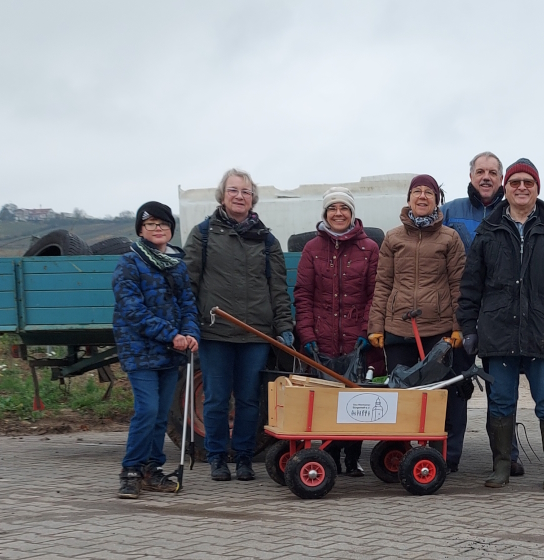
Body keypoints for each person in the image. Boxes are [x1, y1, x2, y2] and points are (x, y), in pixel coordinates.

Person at [457, 158, 544, 488]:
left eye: (528, 183)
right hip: (498, 328)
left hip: (543, 328)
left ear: (537, 188)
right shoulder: (489, 229)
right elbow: (471, 285)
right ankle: (501, 465)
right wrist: (468, 327)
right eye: (515, 182)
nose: (521, 188)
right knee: (501, 400)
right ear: (506, 188)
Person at [184, 168, 292, 482]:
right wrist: (190, 324)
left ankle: (244, 458)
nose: (239, 196)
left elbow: (277, 289)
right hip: (215, 331)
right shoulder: (203, 234)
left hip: (255, 334)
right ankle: (217, 458)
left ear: (253, 198)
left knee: (249, 400)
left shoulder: (266, 239)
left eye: (245, 191)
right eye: (233, 190)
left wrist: (284, 326)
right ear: (222, 195)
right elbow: (188, 284)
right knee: (216, 399)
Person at [367, 175, 468, 469]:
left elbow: (458, 285)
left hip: (438, 332)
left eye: (429, 192)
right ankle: (399, 455)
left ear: (437, 200)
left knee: (442, 396)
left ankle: (444, 458)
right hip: (398, 329)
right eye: (416, 192)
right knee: (402, 395)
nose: (422, 196)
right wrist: (376, 326)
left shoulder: (450, 238)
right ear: (409, 198)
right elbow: (383, 283)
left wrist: (457, 326)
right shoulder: (393, 237)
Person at [439, 151, 523, 475]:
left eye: (492, 172)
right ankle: (450, 454)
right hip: (461, 311)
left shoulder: (511, 212)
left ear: (501, 179)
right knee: (457, 384)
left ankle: (506, 455)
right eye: (480, 171)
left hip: (500, 314)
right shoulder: (450, 212)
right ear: (471, 176)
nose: (486, 177)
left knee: (501, 388)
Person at [111, 201, 200, 499]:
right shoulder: (129, 263)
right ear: (140, 229)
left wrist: (190, 333)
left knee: (161, 415)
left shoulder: (177, 264)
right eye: (151, 224)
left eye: (163, 224)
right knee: (147, 410)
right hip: (140, 351)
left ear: (171, 230)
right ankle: (130, 470)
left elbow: (188, 304)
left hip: (168, 352)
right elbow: (133, 312)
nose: (158, 229)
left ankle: (152, 470)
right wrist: (171, 335)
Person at [294, 187, 380, 476]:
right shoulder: (312, 249)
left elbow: (374, 295)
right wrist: (307, 335)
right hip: (323, 338)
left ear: (352, 213)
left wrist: (366, 331)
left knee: (355, 402)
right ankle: (329, 455)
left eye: (344, 208)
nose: (339, 213)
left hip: (355, 341)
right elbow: (303, 294)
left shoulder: (369, 248)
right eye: (333, 208)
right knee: (327, 403)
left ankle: (352, 457)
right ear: (325, 214)